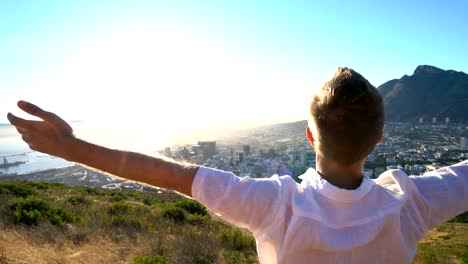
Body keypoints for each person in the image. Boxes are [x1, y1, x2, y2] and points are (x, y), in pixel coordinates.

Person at [7, 67, 468, 263]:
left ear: (309, 135)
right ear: (380, 138)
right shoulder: (411, 203)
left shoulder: (274, 203)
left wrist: (72, 148)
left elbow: (168, 174)